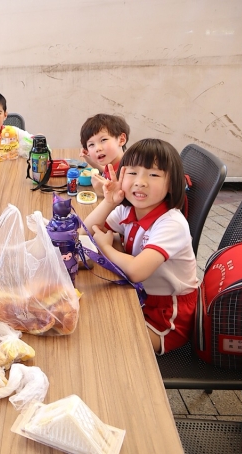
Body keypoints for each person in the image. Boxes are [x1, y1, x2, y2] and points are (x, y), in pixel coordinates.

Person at [83, 138, 197, 356]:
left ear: (171, 184)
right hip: (140, 296)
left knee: (101, 339)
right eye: (133, 173)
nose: (140, 182)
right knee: (91, 317)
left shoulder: (171, 223)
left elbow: (136, 271)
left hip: (167, 316)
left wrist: (107, 248)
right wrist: (109, 202)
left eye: (153, 175)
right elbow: (84, 233)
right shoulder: (128, 209)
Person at [79, 113, 130, 197]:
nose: (97, 148)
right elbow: (104, 170)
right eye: (91, 144)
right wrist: (88, 158)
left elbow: (127, 200)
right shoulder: (112, 163)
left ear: (121, 140)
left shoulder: (128, 171)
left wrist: (105, 191)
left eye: (103, 140)